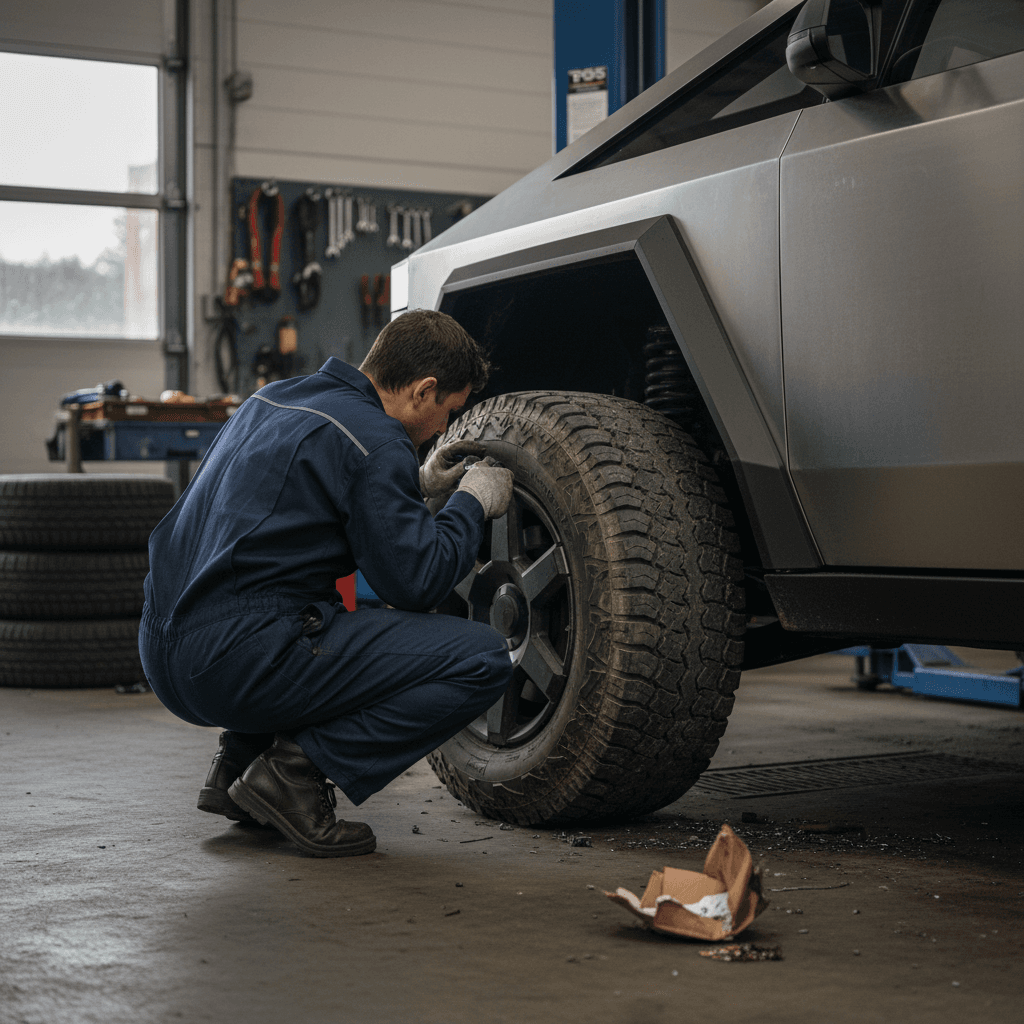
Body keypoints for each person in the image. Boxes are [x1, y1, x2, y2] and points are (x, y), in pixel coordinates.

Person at [139, 309, 514, 858]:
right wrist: (469, 503)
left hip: (162, 652)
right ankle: (292, 776)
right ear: (423, 390)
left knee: (303, 604)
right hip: (232, 662)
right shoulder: (376, 441)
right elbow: (416, 581)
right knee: (483, 659)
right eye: (447, 412)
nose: (441, 431)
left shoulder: (271, 398)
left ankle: (238, 766)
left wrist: (411, 481)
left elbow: (293, 502)